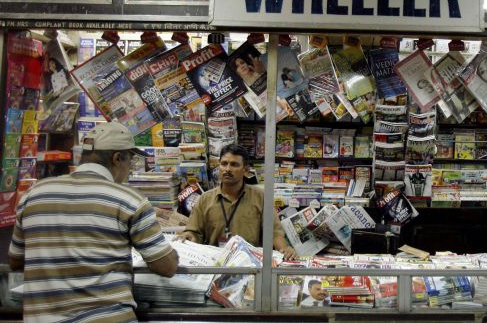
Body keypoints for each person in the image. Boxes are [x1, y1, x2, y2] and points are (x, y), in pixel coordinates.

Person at [8, 121, 178, 322]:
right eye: (129, 161)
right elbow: (166, 267)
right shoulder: (129, 200)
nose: (129, 170)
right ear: (117, 158)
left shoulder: (34, 195)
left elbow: (16, 260)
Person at [177, 144, 296, 260]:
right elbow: (194, 232)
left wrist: (285, 248)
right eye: (224, 164)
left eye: (234, 165)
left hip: (250, 265)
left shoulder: (261, 197)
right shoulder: (205, 199)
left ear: (246, 170)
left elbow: (274, 233)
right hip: (214, 264)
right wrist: (189, 236)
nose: (227, 169)